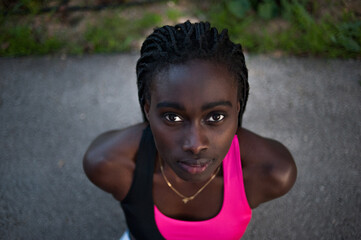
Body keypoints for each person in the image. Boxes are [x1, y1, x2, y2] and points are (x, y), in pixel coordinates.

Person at [83, 21, 297, 240]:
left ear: (237, 108)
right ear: (148, 110)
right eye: (172, 117)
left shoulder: (270, 172)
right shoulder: (111, 163)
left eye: (216, 117)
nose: (195, 145)